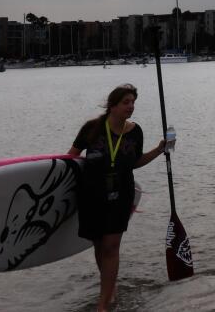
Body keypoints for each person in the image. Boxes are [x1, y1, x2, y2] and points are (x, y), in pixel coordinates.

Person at [67, 84, 168, 312]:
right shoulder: (91, 129)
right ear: (112, 105)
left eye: (133, 102)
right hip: (91, 196)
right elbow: (71, 158)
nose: (131, 107)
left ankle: (103, 304)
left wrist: (159, 149)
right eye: (126, 102)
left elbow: (134, 162)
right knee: (99, 246)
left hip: (121, 195)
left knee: (112, 245)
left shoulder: (135, 131)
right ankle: (109, 288)